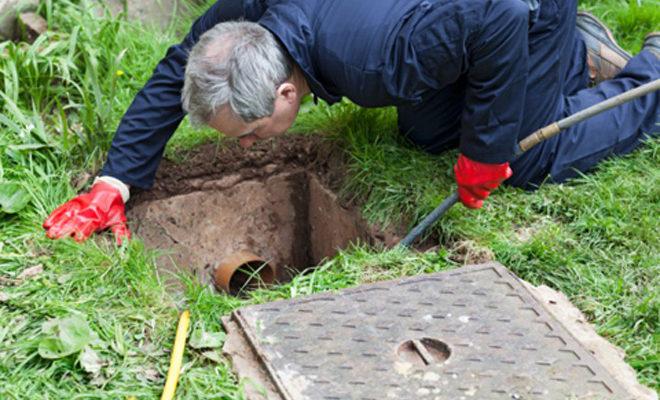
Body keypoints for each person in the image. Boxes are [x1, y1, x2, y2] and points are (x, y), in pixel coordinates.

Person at [43, 0, 659, 244]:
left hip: (513, 6)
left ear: (288, 92)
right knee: (426, 132)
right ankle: (569, 59)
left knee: (522, 158)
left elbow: (494, 13)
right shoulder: (254, 16)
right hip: (453, 16)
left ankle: (644, 72)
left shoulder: (374, 63)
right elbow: (186, 56)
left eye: (253, 133)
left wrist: (489, 149)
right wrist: (115, 181)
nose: (253, 145)